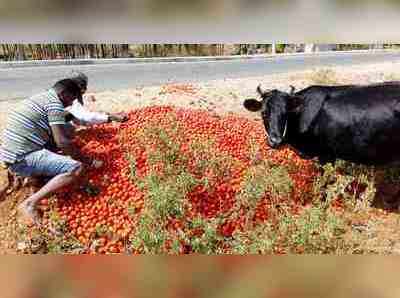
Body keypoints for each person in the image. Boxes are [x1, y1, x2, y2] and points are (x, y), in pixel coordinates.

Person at [0, 79, 101, 225]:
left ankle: (36, 177)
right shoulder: (54, 105)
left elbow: (60, 134)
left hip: (12, 152)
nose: (70, 104)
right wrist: (89, 161)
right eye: (71, 100)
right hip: (21, 158)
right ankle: (30, 204)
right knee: (76, 167)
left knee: (63, 137)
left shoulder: (43, 98)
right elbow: (62, 142)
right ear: (63, 93)